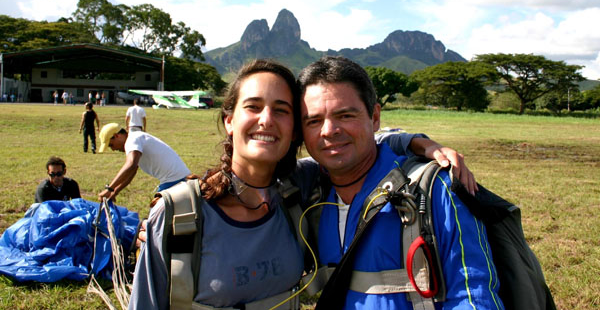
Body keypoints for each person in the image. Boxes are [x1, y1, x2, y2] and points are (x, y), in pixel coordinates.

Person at [128, 59, 475, 310]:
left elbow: (355, 142)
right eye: (253, 107)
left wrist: (416, 142)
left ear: (293, 130)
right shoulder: (180, 216)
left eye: (281, 110)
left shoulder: (301, 189)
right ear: (229, 119)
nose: (266, 119)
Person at [295, 56, 502, 309]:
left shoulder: (433, 189)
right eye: (314, 121)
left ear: (375, 117)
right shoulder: (309, 192)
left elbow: (472, 295)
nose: (329, 130)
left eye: (345, 115)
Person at [97, 123, 191, 201]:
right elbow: (132, 171)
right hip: (178, 178)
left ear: (117, 136)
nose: (113, 149)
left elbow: (131, 164)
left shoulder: (132, 140)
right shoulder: (136, 138)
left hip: (174, 180)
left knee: (155, 219)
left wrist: (110, 188)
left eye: (111, 145)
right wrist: (115, 191)